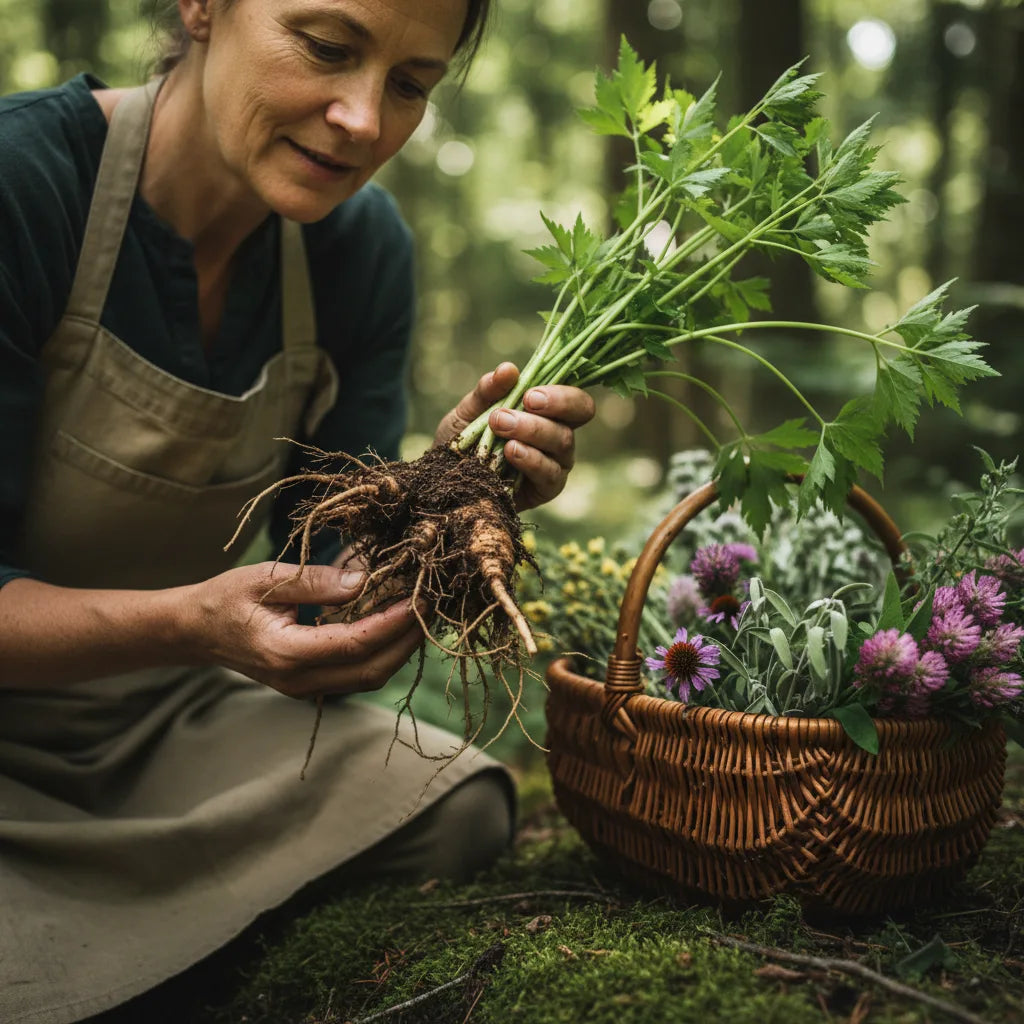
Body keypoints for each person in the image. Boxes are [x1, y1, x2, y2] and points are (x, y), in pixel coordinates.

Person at [0, 1, 595, 1021]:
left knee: (449, 803)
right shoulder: (26, 187)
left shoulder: (357, 252)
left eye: (409, 84)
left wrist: (445, 503)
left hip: (165, 729)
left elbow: (321, 613)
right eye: (326, 48)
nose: (363, 118)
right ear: (200, 7)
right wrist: (188, 623)